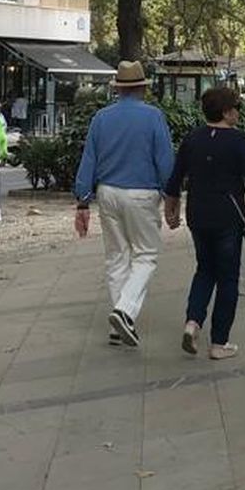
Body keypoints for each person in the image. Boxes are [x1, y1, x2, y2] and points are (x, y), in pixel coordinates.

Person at [164, 86, 245, 361]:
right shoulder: (240, 141)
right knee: (227, 277)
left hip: (198, 215)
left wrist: (170, 207)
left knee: (204, 269)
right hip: (228, 216)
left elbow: (176, 177)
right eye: (237, 107)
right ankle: (219, 342)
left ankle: (193, 322)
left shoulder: (192, 139)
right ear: (225, 112)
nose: (239, 112)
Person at [73, 60, 176, 348]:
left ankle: (119, 326)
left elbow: (89, 159)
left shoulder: (101, 118)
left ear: (117, 88)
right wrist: (171, 194)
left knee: (117, 256)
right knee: (146, 255)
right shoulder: (153, 116)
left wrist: (82, 201)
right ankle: (124, 310)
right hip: (141, 192)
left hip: (107, 191)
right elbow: (165, 159)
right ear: (143, 88)